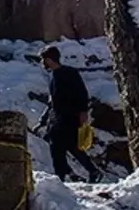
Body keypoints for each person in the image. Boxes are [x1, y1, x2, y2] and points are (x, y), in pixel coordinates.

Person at [34, 46, 102, 183]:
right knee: (57, 147)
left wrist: (83, 112)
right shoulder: (53, 76)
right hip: (56, 118)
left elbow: (82, 93)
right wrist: (43, 121)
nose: (43, 63)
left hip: (70, 116)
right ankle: (66, 174)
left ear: (49, 60)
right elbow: (52, 101)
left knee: (70, 145)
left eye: (44, 60)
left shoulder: (70, 73)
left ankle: (86, 172)